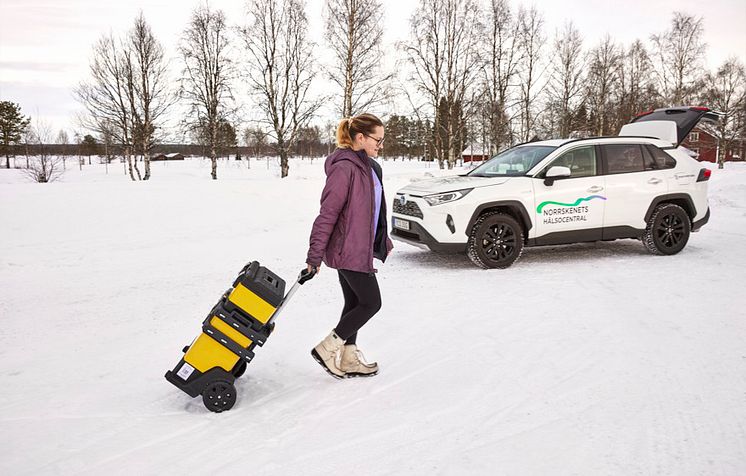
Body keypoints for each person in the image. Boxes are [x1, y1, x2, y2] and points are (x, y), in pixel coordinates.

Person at [306, 113, 393, 379]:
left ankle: (349, 356)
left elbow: (374, 209)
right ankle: (327, 348)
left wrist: (381, 239)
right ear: (360, 137)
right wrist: (314, 256)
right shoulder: (344, 168)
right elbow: (328, 213)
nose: (380, 144)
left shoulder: (370, 167)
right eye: (377, 139)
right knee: (371, 303)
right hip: (348, 248)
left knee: (354, 302)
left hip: (360, 246)